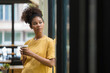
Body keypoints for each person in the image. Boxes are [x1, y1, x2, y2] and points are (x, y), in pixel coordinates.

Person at [20, 6, 55, 73]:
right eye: (35, 23)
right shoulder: (27, 43)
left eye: (40, 22)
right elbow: (25, 64)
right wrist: (24, 56)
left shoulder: (49, 41)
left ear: (43, 23)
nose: (38, 25)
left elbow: (51, 63)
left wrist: (32, 54)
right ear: (31, 26)